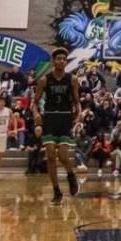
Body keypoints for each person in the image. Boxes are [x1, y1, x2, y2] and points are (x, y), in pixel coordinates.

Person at [31, 48, 80, 204]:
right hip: (50, 117)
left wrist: (78, 115)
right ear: (54, 61)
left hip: (65, 117)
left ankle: (71, 176)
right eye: (59, 58)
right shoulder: (45, 80)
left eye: (64, 59)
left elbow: (77, 102)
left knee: (63, 156)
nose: (62, 61)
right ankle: (56, 191)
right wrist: (36, 114)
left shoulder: (72, 79)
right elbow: (35, 103)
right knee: (51, 156)